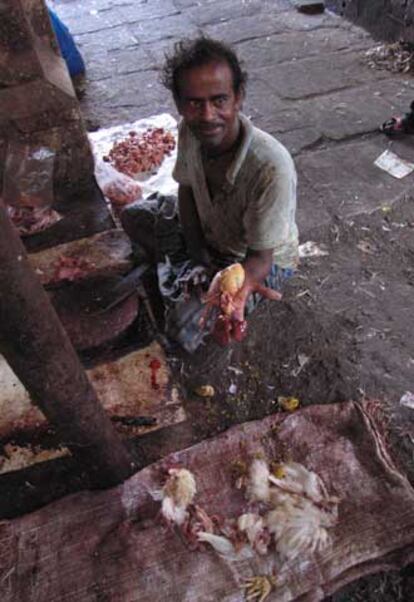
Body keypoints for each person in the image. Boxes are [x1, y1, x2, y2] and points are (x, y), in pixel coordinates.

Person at [121, 37, 298, 352]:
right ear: (178, 104)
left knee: (181, 329)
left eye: (219, 100)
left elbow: (261, 256)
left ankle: (190, 278)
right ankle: (186, 270)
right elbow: (187, 191)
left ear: (238, 98)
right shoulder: (189, 131)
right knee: (132, 217)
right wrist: (199, 257)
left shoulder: (271, 168)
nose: (206, 115)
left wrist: (236, 290)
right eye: (194, 103)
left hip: (253, 259)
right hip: (208, 233)